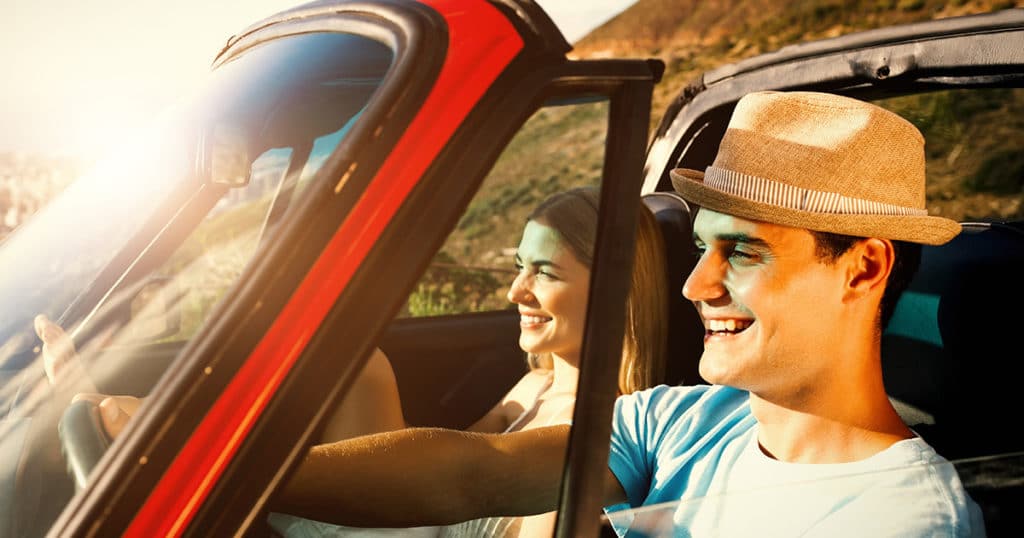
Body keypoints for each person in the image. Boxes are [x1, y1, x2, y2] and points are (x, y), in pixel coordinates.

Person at [274, 91, 985, 537]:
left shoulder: (904, 521)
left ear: (861, 268)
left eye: (740, 252)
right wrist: (236, 478)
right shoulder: (679, 420)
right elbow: (470, 470)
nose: (694, 285)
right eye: (701, 248)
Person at [39, 186, 671, 537]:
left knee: (147, 441)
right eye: (517, 267)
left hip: (423, 535)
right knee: (353, 359)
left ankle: (175, 448)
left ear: (614, 291)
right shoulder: (536, 382)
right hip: (416, 519)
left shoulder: (605, 429)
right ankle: (171, 450)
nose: (515, 292)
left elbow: (469, 481)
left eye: (544, 273)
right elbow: (443, 451)